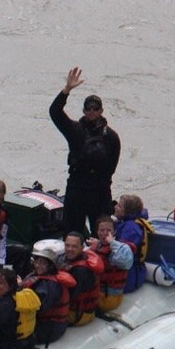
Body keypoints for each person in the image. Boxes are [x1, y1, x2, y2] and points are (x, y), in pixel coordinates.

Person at [50, 67, 121, 237]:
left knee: (102, 236)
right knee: (72, 233)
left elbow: (111, 168)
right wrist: (66, 90)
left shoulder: (112, 137)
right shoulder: (75, 130)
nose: (92, 112)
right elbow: (55, 113)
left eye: (95, 108)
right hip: (77, 189)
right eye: (88, 109)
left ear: (101, 111)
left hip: (100, 192)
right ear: (83, 111)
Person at [22, 241, 75, 346]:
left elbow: (38, 308)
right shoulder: (38, 277)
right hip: (48, 324)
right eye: (37, 262)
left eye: (43, 263)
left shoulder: (50, 285)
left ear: (50, 266)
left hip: (48, 328)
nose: (38, 265)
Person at [0, 267, 41, 349]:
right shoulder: (19, 298)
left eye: (1, 283)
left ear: (11, 286)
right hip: (26, 347)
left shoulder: (2, 306)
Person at [88, 216, 134, 311]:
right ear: (97, 232)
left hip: (108, 298)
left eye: (108, 230)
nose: (105, 233)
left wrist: (112, 243)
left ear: (114, 232)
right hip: (98, 292)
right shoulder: (98, 245)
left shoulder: (120, 249)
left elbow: (126, 261)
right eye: (102, 230)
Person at [61, 232, 104, 326]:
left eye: (74, 246)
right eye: (67, 245)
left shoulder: (81, 271)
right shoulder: (75, 258)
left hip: (78, 314)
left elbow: (67, 296)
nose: (69, 249)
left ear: (82, 248)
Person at [114, 193, 152, 293]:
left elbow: (123, 255)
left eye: (119, 206)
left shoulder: (131, 229)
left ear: (127, 211)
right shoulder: (124, 222)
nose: (115, 207)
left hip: (130, 276)